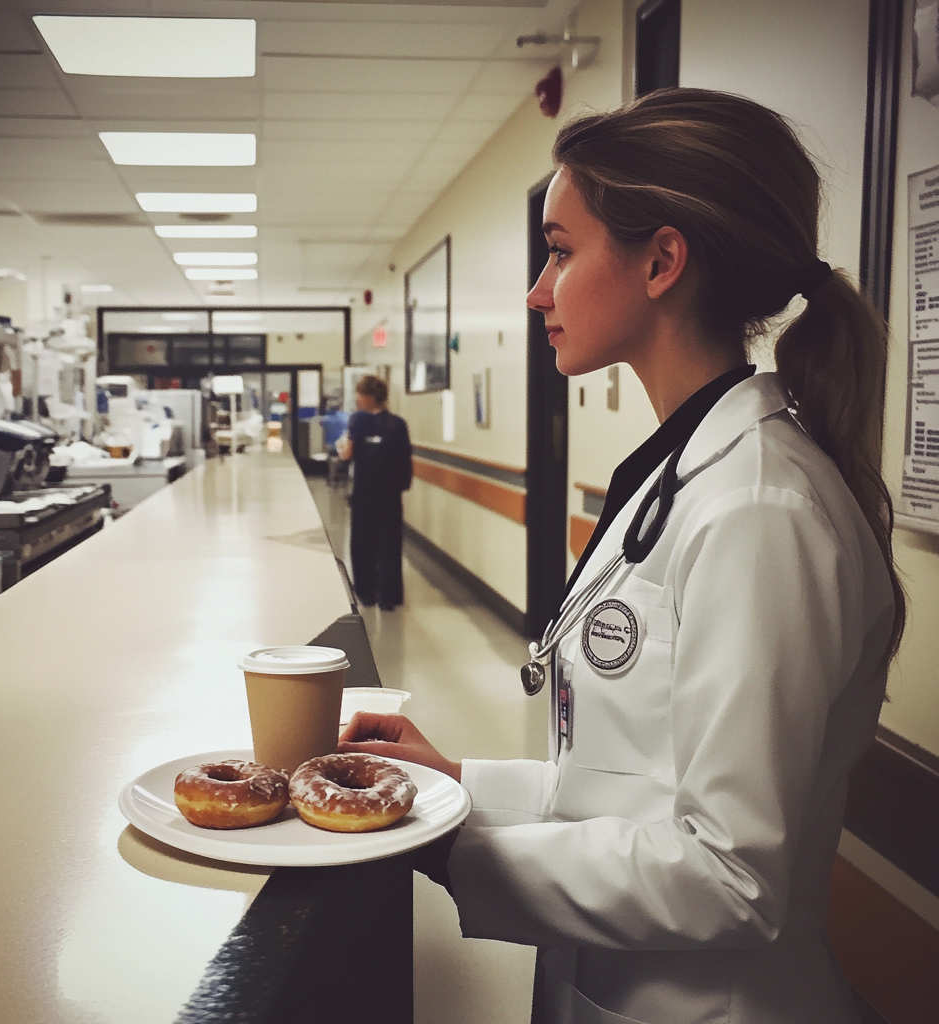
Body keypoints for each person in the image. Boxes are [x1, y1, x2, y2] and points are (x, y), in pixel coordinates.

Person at [339, 88, 904, 1024]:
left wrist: (448, 848)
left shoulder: (761, 509)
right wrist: (458, 786)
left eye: (559, 250)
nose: (535, 290)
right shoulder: (685, 468)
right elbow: (640, 782)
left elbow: (731, 874)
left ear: (662, 260)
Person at [337, 374, 412, 610]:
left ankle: (366, 592)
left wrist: (342, 451)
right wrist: (401, 486)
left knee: (363, 542)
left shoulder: (357, 420)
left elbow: (347, 453)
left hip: (364, 492)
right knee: (389, 544)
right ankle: (389, 596)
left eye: (360, 395)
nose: (358, 399)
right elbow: (405, 460)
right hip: (390, 494)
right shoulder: (398, 424)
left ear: (369, 397)